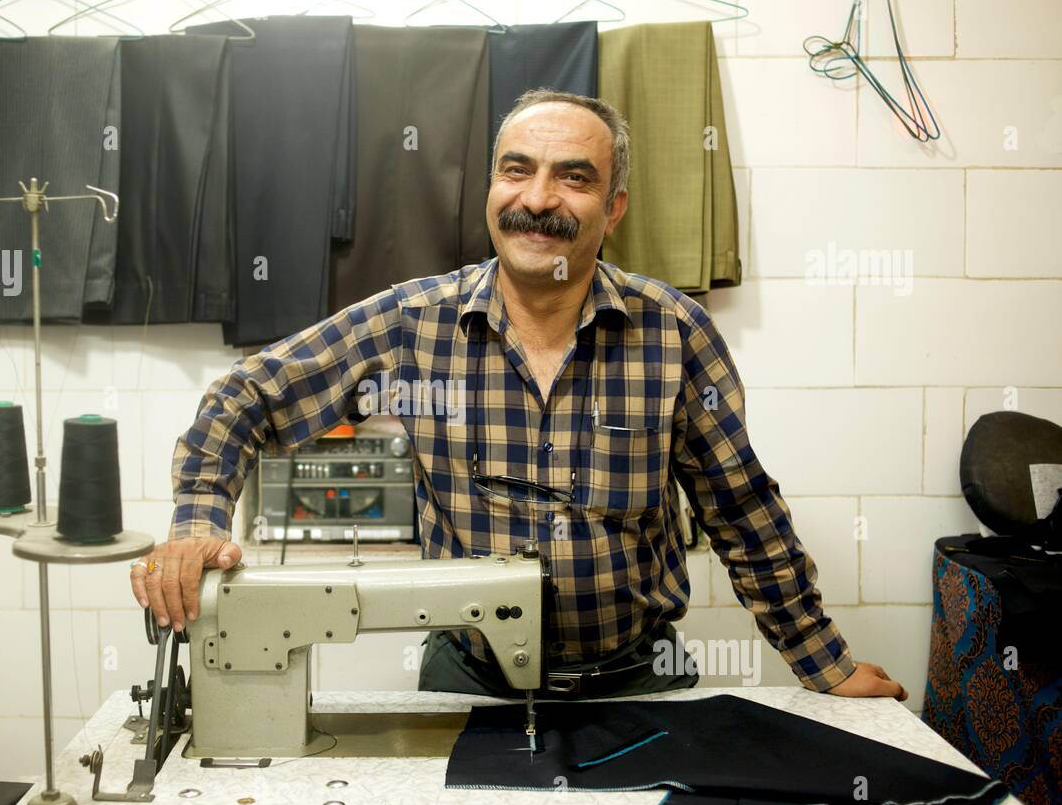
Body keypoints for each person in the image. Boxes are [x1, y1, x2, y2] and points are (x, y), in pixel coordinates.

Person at [129, 88, 908, 703]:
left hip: (638, 680)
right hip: (469, 684)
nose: (539, 197)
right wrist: (196, 524)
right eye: (516, 169)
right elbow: (244, 398)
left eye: (575, 177)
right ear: (492, 187)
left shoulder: (674, 331)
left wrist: (823, 663)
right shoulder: (411, 323)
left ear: (615, 207)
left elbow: (741, 512)